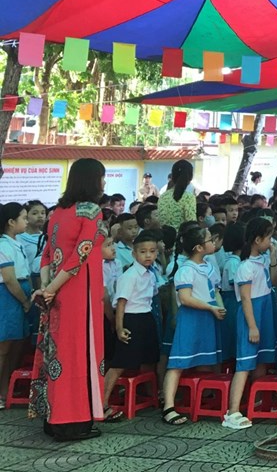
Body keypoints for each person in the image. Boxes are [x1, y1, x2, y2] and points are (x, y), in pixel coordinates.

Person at [30, 158, 107, 441]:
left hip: (58, 291)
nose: (104, 182)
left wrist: (47, 287)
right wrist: (52, 288)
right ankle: (73, 421)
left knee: (57, 352)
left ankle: (54, 418)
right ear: (92, 180)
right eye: (102, 177)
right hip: (80, 293)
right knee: (79, 354)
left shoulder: (58, 212)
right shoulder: (91, 211)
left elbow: (47, 254)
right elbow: (81, 254)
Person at [161, 225, 225, 425]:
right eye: (209, 240)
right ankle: (168, 407)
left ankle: (202, 400)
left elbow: (215, 290)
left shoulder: (209, 266)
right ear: (198, 247)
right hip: (191, 317)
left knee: (206, 359)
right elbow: (185, 298)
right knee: (178, 362)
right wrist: (211, 307)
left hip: (208, 316)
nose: (213, 242)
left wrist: (220, 307)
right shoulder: (186, 270)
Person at [101, 230, 161, 422]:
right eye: (143, 252)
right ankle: (102, 403)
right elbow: (121, 303)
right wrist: (119, 328)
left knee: (149, 360)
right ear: (134, 254)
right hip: (131, 319)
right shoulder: (130, 275)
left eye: (152, 251)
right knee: (120, 363)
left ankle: (151, 397)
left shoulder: (151, 273)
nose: (148, 255)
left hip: (146, 317)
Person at [227, 217, 277, 429]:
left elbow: (274, 282)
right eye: (268, 238)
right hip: (251, 315)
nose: (270, 241)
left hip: (264, 311)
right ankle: (232, 411)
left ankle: (258, 403)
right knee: (245, 363)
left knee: (262, 360)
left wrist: (273, 259)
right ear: (257, 240)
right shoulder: (245, 266)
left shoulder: (262, 261)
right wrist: (252, 326)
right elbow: (246, 298)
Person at [0, 203, 31, 407]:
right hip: (9, 297)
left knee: (13, 348)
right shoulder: (3, 245)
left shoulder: (16, 242)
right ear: (11, 222)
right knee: (3, 348)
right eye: (24, 218)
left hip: (18, 297)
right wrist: (25, 301)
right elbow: (10, 279)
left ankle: (4, 391)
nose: (26, 221)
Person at [156, 160, 198, 231]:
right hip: (181, 237)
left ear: (173, 176)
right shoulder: (189, 197)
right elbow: (191, 224)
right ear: (190, 177)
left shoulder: (163, 196)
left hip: (163, 237)